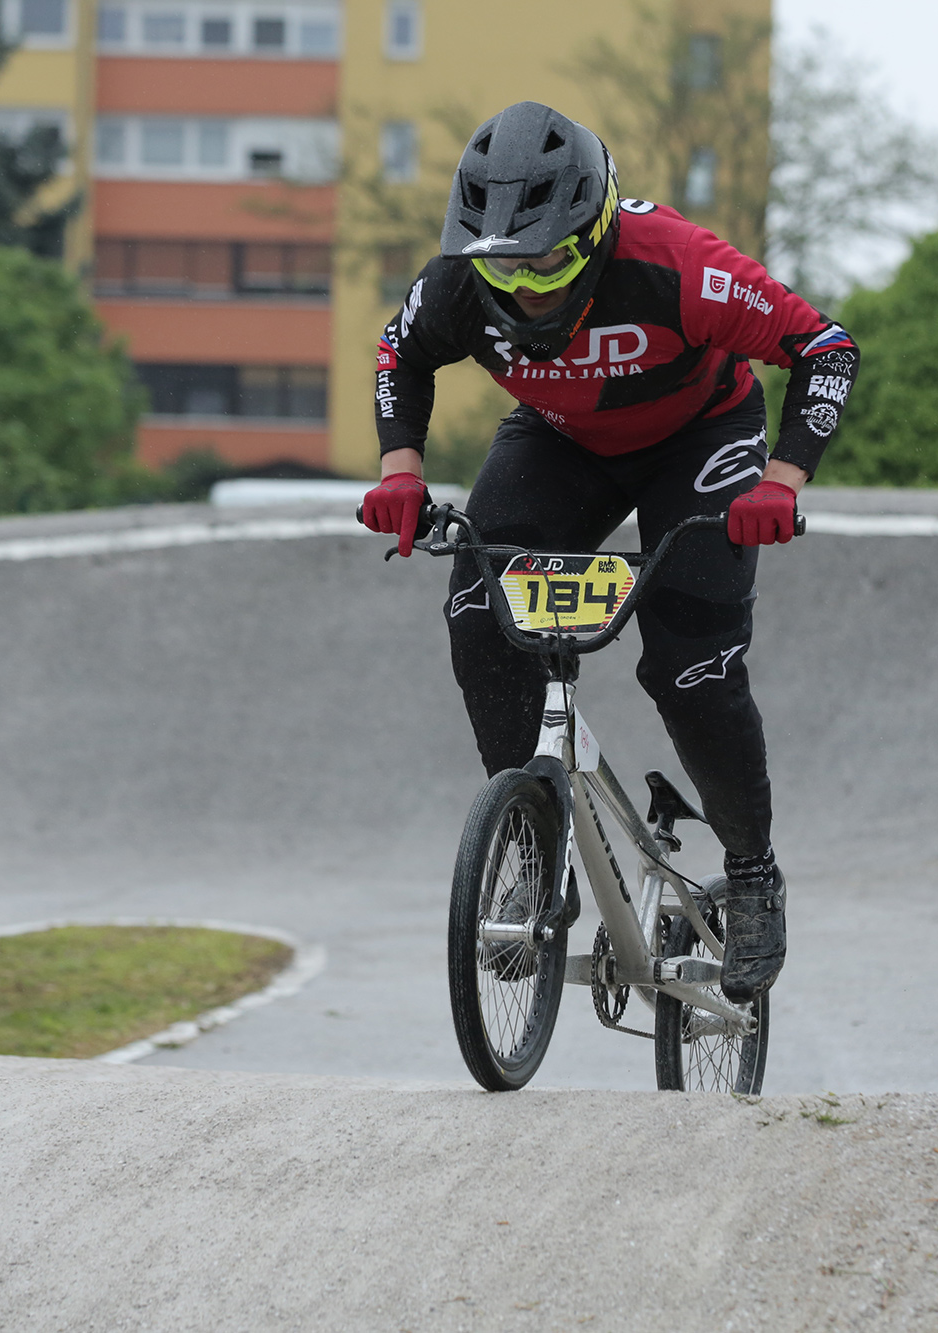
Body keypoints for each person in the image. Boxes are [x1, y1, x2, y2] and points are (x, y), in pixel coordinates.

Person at [358, 102, 859, 1002]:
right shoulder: (458, 283)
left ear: (594, 234)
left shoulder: (682, 267)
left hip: (699, 436)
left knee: (690, 668)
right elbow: (401, 352)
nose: (525, 286)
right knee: (480, 612)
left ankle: (752, 874)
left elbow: (825, 347)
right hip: (562, 439)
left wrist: (782, 481)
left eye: (548, 261)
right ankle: (530, 844)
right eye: (504, 265)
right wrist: (401, 471)